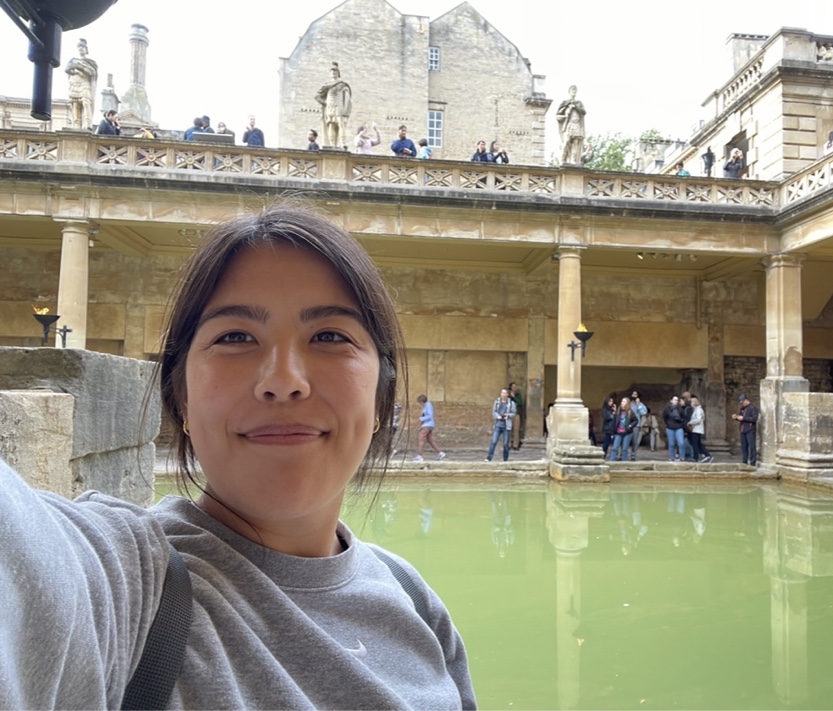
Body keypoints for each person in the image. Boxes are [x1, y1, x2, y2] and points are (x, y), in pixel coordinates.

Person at [0, 205, 476, 709]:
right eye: (235, 337)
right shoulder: (123, 584)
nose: (284, 381)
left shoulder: (413, 600)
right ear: (182, 399)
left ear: (381, 401)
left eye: (330, 336)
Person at [315, 62, 352, 148]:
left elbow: (347, 98)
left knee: (340, 123)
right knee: (331, 124)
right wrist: (324, 103)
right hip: (329, 106)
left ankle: (342, 143)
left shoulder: (342, 84)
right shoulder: (327, 85)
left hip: (339, 105)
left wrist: (346, 110)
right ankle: (332, 145)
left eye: (335, 71)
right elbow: (317, 96)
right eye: (332, 71)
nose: (333, 73)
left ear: (338, 73)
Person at [65, 38, 98, 130]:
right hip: (74, 83)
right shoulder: (73, 60)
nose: (81, 48)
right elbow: (67, 69)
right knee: (75, 104)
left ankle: (87, 123)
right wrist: (76, 70)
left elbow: (91, 72)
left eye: (83, 47)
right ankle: (76, 124)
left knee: (86, 102)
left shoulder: (90, 62)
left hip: (85, 84)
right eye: (79, 46)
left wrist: (79, 67)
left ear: (86, 49)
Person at [556, 85, 586, 164]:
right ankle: (563, 158)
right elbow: (558, 114)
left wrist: (575, 106)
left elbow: (583, 112)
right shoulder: (565, 102)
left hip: (577, 124)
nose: (574, 91)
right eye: (573, 90)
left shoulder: (579, 103)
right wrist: (568, 108)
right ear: (569, 91)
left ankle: (573, 160)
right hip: (569, 124)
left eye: (575, 90)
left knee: (575, 142)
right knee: (566, 141)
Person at [485, 388, 516, 462]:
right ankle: (489, 457)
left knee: (505, 443)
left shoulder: (511, 403)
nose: (503, 394)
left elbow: (513, 413)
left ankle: (505, 458)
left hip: (506, 425)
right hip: (498, 425)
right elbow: (494, 411)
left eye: (504, 393)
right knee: (494, 441)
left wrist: (508, 416)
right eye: (502, 393)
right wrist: (497, 416)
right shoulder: (497, 402)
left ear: (507, 394)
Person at [414, 394, 444, 462]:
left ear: (422, 401)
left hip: (427, 424)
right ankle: (440, 453)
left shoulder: (428, 406)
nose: (420, 404)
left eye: (420, 403)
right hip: (428, 424)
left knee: (421, 438)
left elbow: (430, 416)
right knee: (430, 440)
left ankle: (420, 456)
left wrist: (421, 419)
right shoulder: (427, 405)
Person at [609, 397, 639, 462]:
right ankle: (612, 461)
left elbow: (636, 420)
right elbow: (614, 423)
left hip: (627, 432)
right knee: (615, 447)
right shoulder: (618, 411)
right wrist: (612, 433)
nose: (622, 403)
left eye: (624, 401)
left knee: (625, 448)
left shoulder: (630, 412)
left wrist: (630, 426)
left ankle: (624, 462)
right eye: (622, 401)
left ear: (627, 403)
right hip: (618, 432)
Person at [732, 393, 758, 466]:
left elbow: (754, 419)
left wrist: (744, 418)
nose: (742, 404)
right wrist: (736, 417)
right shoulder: (742, 409)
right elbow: (741, 418)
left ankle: (752, 462)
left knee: (752, 446)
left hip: (750, 430)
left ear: (746, 400)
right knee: (744, 446)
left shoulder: (752, 408)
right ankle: (744, 461)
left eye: (742, 402)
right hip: (743, 430)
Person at [688, 396, 713, 463]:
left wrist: (690, 422)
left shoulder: (698, 410)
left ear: (694, 403)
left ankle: (696, 457)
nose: (690, 404)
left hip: (697, 429)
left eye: (691, 402)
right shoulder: (697, 410)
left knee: (695, 444)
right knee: (698, 444)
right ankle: (707, 455)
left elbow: (698, 419)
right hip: (697, 429)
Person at [663, 396, 687, 462]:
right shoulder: (667, 409)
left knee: (681, 443)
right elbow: (664, 417)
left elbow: (684, 418)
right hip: (670, 428)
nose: (676, 401)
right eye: (674, 400)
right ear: (671, 401)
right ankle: (672, 457)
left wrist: (681, 424)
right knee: (671, 444)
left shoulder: (680, 409)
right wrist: (668, 424)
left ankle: (682, 457)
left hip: (679, 428)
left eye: (677, 400)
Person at [628, 391, 649, 460]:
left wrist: (638, 405)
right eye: (633, 394)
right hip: (627, 424)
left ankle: (633, 455)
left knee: (635, 441)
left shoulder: (641, 404)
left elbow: (643, 413)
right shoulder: (628, 403)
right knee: (625, 440)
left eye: (635, 394)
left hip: (636, 425)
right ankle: (622, 454)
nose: (634, 395)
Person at [509, 381, 525, 451]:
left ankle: (516, 445)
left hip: (516, 414)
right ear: (510, 388)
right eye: (513, 387)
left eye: (515, 387)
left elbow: (520, 402)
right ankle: (509, 443)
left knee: (516, 429)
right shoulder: (508, 396)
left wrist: (514, 397)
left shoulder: (518, 395)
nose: (515, 388)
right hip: (509, 414)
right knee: (509, 429)